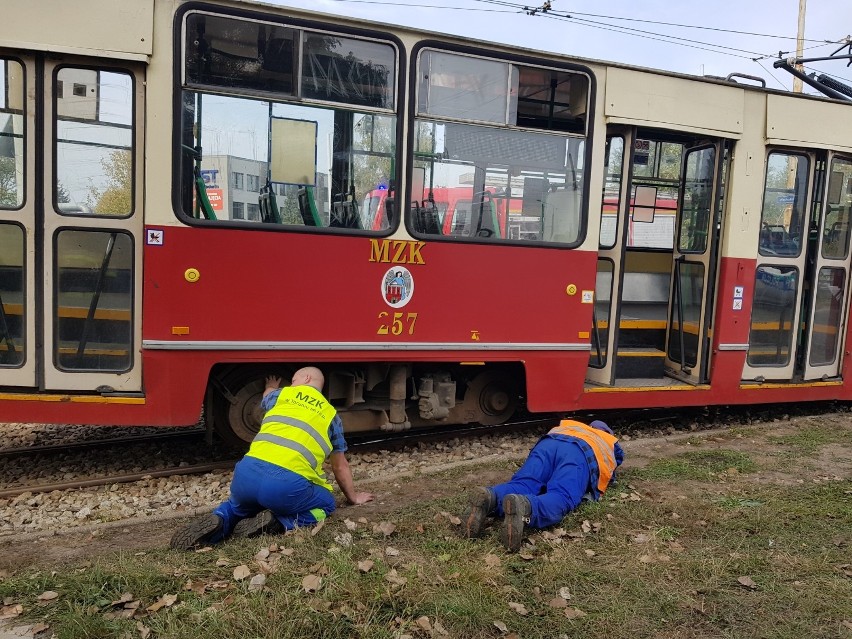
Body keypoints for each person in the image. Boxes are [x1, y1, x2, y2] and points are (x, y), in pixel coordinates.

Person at [171, 366, 373, 550]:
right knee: (327, 504)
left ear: (306, 378)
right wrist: (353, 498)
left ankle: (222, 518)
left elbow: (266, 397)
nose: (291, 384)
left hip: (245, 476)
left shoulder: (281, 395)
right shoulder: (331, 416)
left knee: (237, 506)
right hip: (286, 487)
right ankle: (278, 522)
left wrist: (270, 386)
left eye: (293, 380)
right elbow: (340, 466)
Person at [461, 419, 624, 552]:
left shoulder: (570, 425)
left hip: (547, 445)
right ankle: (527, 508)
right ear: (607, 432)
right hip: (578, 453)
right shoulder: (609, 440)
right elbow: (617, 460)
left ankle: (491, 496)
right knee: (561, 495)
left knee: (524, 484)